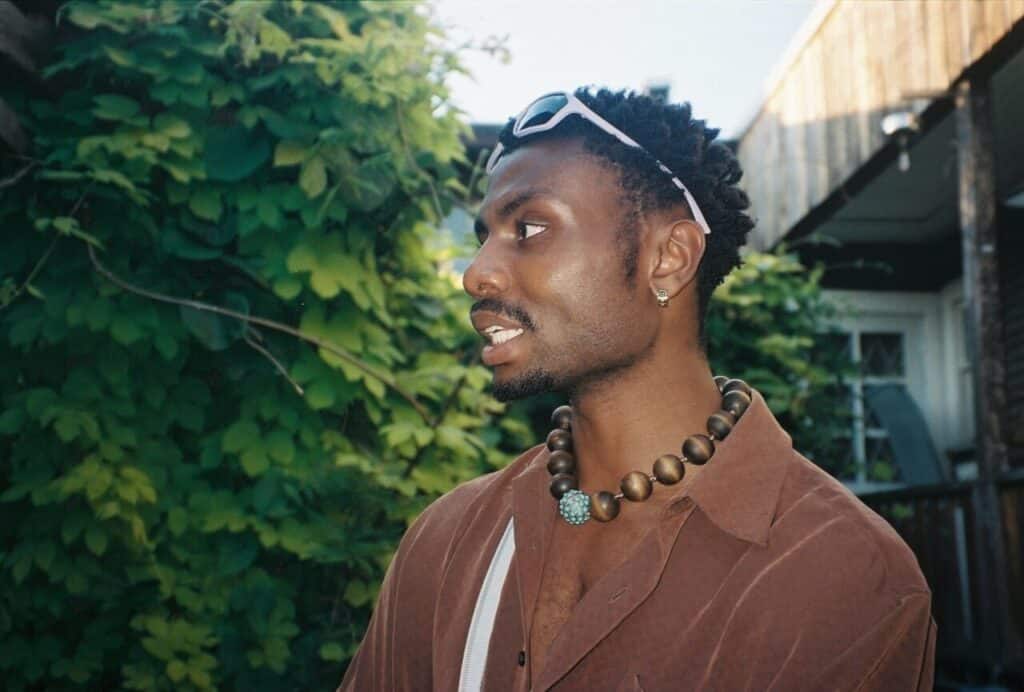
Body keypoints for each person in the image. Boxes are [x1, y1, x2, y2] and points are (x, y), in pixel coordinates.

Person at [338, 88, 936, 691]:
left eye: (530, 227)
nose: (476, 273)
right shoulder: (448, 540)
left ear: (669, 259)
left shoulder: (839, 572)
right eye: (484, 235)